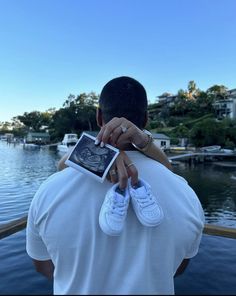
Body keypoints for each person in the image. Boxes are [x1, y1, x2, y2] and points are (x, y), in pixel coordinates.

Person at [26, 76, 205, 295]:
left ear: (99, 116)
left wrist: (94, 149)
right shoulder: (186, 195)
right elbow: (177, 269)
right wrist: (143, 143)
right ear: (147, 119)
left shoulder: (48, 192)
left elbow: (44, 267)